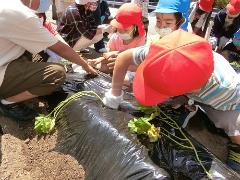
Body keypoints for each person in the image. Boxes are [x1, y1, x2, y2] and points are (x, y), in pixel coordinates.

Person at [103, 30, 240, 172]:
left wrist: (188, 100)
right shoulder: (162, 53)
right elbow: (124, 57)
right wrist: (115, 94)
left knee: (231, 123)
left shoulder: (226, 87)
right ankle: (184, 103)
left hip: (227, 102)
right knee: (170, 101)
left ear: (192, 89)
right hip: (194, 89)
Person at [0, 0, 96, 121]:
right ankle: (8, 103)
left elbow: (52, 32)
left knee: (40, 55)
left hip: (5, 57)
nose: (50, 4)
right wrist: (85, 64)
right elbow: (60, 49)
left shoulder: (9, 4)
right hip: (3, 67)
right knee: (57, 73)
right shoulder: (23, 15)